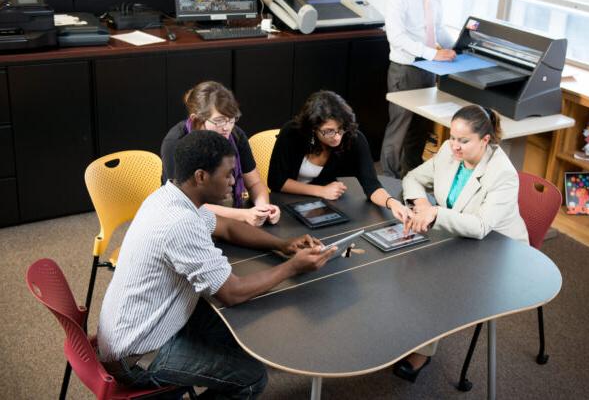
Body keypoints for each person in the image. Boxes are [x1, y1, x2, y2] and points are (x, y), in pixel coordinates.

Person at [97, 130, 336, 398]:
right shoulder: (180, 224)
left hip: (138, 327)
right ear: (201, 176)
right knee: (252, 378)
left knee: (240, 336)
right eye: (227, 174)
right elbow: (232, 292)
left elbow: (227, 228)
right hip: (139, 355)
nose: (234, 182)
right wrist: (293, 267)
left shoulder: (172, 196)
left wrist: (282, 244)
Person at [394, 105, 528, 382]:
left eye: (463, 140)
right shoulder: (448, 151)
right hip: (459, 237)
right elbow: (413, 178)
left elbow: (480, 226)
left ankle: (422, 351)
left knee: (436, 281)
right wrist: (421, 203)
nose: (454, 145)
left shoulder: (502, 174)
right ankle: (406, 334)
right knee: (407, 264)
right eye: (452, 137)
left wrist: (436, 213)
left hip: (499, 251)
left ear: (485, 140)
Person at [267, 90, 412, 222]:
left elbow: (371, 185)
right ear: (313, 128)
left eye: (340, 128)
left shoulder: (353, 139)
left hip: (321, 205)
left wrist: (392, 203)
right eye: (328, 131)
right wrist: (321, 191)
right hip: (285, 203)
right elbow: (276, 182)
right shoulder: (292, 133)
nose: (337, 137)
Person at [161, 80, 281, 227]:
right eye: (219, 121)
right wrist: (244, 215)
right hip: (188, 219)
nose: (227, 128)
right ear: (196, 120)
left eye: (231, 120)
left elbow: (255, 183)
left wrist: (263, 209)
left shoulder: (236, 135)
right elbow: (187, 203)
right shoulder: (175, 143)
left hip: (232, 211)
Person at [380, 0, 457, 179]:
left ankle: (411, 177)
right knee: (400, 129)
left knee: (420, 129)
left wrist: (456, 47)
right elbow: (396, 37)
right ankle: (389, 180)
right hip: (405, 68)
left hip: (429, 69)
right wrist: (432, 54)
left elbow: (436, 28)